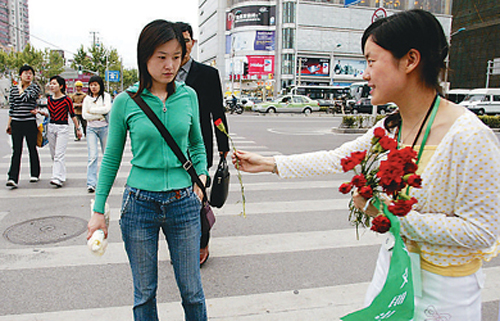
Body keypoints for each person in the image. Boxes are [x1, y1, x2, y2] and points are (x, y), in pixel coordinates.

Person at [232, 9, 500, 320]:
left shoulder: (469, 137)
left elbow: (481, 231)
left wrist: (388, 214)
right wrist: (268, 163)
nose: (364, 73)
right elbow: (338, 157)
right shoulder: (390, 127)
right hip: (394, 270)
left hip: (445, 290)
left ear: (410, 60)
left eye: (371, 61)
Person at [87, 20, 209, 321]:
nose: (170, 65)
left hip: (183, 203)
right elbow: (111, 158)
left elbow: (198, 144)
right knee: (144, 294)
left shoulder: (188, 96)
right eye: (161, 56)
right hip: (139, 204)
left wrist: (201, 176)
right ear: (145, 57)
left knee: (192, 291)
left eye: (176, 56)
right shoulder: (125, 102)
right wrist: (98, 209)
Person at [176, 21, 230, 266]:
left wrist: (223, 146)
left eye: (186, 40)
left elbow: (217, 113)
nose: (183, 44)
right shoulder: (163, 73)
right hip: (171, 150)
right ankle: (180, 242)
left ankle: (202, 242)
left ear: (192, 43)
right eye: (177, 39)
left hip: (199, 148)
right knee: (175, 199)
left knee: (198, 199)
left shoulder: (207, 74)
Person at [5, 65, 41, 188]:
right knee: (16, 150)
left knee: (32, 148)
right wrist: (9, 124)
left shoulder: (35, 88)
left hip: (29, 122)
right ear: (20, 75)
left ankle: (35, 173)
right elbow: (12, 107)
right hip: (16, 122)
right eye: (25, 73)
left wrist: (20, 87)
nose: (28, 75)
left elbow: (25, 97)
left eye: (30, 73)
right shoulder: (13, 89)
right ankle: (12, 177)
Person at [45, 76, 82, 187]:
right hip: (51, 127)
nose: (52, 86)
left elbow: (72, 114)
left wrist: (78, 128)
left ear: (61, 86)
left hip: (63, 128)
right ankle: (61, 173)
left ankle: (57, 177)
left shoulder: (67, 99)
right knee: (53, 154)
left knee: (59, 154)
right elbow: (50, 113)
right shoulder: (49, 99)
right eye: (51, 84)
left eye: (54, 84)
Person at [82, 75, 111, 193]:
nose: (93, 87)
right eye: (91, 85)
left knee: (107, 154)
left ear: (100, 85)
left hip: (104, 128)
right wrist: (100, 113)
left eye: (95, 85)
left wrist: (92, 110)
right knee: (92, 156)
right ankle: (91, 183)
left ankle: (107, 179)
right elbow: (85, 115)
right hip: (91, 129)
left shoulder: (106, 97)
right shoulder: (87, 99)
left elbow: (106, 110)